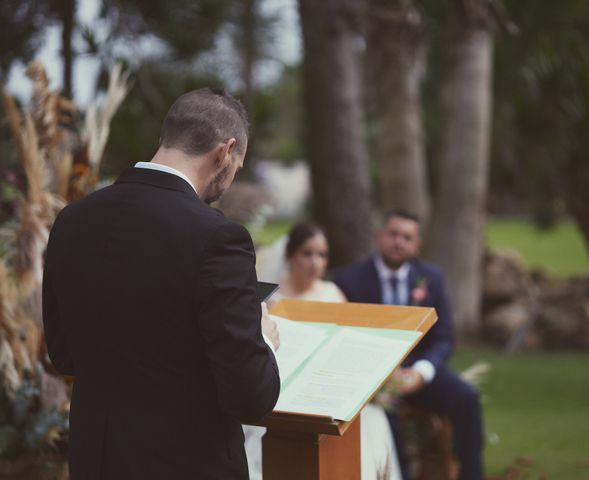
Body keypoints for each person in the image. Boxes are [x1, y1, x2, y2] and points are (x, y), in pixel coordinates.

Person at [42, 88, 281, 480]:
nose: (232, 176)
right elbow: (250, 397)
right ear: (225, 151)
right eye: (238, 164)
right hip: (186, 463)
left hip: (95, 459)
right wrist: (263, 338)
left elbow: (64, 355)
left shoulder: (72, 220)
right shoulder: (218, 238)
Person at [334, 209, 484, 480]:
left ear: (417, 245)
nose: (398, 242)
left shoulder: (431, 278)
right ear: (379, 237)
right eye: (392, 234)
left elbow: (444, 337)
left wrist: (421, 372)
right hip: (373, 382)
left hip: (418, 374)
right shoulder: (349, 280)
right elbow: (346, 338)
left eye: (406, 237)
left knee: (467, 397)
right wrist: (382, 376)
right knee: (385, 420)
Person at [245, 222, 402, 480]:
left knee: (371, 419)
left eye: (322, 255)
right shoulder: (273, 300)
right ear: (290, 256)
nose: (315, 263)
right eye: (307, 253)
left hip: (330, 383)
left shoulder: (333, 293)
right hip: (285, 384)